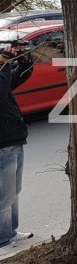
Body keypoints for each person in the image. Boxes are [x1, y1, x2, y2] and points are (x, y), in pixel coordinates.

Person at [0, 43, 34, 247]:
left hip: (15, 141)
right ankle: (3, 239)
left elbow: (20, 75)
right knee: (4, 196)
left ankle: (11, 231)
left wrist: (23, 58)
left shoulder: (3, 74)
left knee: (14, 191)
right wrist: (4, 62)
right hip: (3, 146)